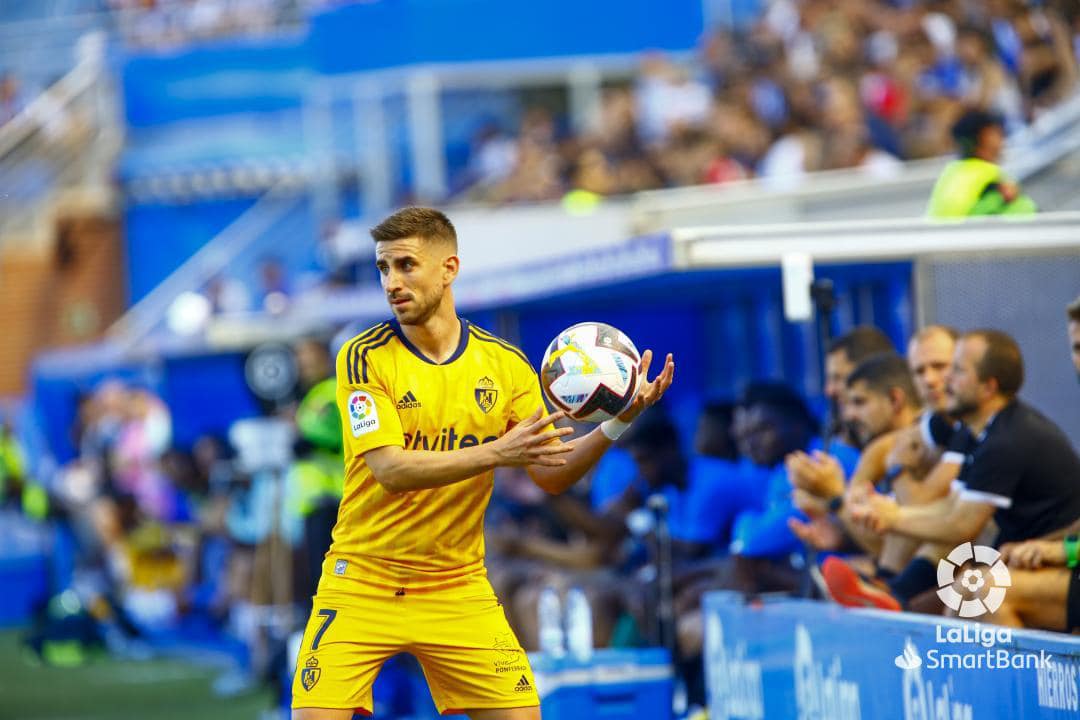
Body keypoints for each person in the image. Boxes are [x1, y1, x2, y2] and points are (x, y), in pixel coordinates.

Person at [291, 207, 674, 720]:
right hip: (364, 580)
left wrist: (617, 423)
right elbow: (389, 469)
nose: (392, 282)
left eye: (406, 265)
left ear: (448, 268)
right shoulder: (364, 356)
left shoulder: (505, 365)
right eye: (384, 268)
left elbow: (551, 473)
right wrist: (497, 452)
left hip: (456, 586)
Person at [831, 330, 1080, 611]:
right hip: (1018, 549)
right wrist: (885, 510)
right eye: (920, 370)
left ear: (988, 388)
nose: (940, 379)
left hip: (1061, 555)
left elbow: (961, 523)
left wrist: (889, 509)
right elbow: (949, 507)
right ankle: (890, 592)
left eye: (955, 370)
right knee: (949, 572)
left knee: (968, 596)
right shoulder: (970, 427)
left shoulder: (1008, 439)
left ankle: (891, 594)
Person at [926, 109, 1037, 219]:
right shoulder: (990, 176)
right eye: (997, 133)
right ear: (985, 138)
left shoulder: (949, 172)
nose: (1001, 140)